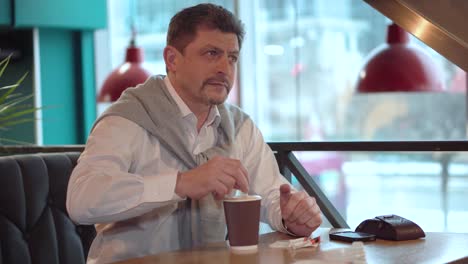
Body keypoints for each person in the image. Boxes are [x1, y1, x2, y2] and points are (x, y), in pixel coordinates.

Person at [66, 3, 322, 264]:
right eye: (212, 53)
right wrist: (181, 183)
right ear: (172, 60)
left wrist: (291, 216)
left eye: (232, 57)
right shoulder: (128, 118)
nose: (225, 68)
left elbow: (272, 195)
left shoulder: (240, 126)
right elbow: (81, 198)